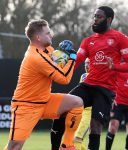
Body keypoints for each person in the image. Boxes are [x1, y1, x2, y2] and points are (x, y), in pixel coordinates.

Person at [51, 6, 128, 150]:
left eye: (99, 17)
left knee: (95, 126)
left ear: (109, 19)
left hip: (105, 89)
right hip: (87, 85)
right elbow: (76, 62)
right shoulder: (87, 41)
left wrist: (114, 66)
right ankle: (57, 147)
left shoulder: (121, 38)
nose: (95, 19)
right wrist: (59, 69)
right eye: (94, 16)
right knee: (61, 109)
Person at [4, 19, 84, 150]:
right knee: (15, 146)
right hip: (26, 106)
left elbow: (58, 65)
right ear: (38, 37)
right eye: (48, 33)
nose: (51, 35)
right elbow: (64, 78)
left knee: (76, 102)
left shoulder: (47, 50)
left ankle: (66, 145)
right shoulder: (36, 57)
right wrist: (72, 58)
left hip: (44, 100)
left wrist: (63, 53)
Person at [74, 58, 91, 150]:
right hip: (81, 111)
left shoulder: (99, 77)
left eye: (89, 63)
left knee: (77, 139)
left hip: (90, 112)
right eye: (85, 63)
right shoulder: (84, 75)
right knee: (76, 140)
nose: (86, 65)